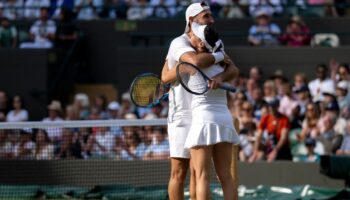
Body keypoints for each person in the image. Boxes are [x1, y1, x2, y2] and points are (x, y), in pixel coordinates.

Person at [160, 2, 235, 200]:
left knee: (198, 172)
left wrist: (220, 76)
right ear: (192, 20)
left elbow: (233, 68)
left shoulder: (212, 40)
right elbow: (171, 73)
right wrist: (216, 57)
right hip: (182, 113)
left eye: (211, 15)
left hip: (202, 113)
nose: (212, 19)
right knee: (179, 172)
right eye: (206, 16)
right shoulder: (179, 43)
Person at [184, 23, 240, 200]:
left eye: (192, 35)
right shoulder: (221, 61)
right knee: (226, 177)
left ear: (200, 43)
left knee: (202, 176)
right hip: (224, 118)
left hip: (204, 119)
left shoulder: (193, 59)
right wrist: (220, 70)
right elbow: (234, 69)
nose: (189, 36)